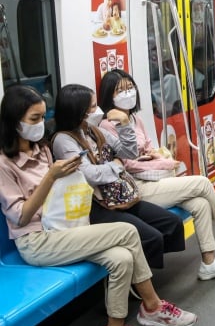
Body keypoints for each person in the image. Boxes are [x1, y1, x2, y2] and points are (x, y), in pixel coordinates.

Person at [0, 85, 197, 326]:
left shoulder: (43, 150)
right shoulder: (4, 163)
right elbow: (21, 217)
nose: (40, 125)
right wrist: (51, 177)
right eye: (33, 119)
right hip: (36, 241)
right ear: (14, 122)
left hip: (62, 227)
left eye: (41, 117)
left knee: (122, 257)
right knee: (128, 231)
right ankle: (152, 307)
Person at [98, 69, 215, 279]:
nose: (127, 93)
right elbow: (126, 163)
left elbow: (145, 148)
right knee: (202, 183)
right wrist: (154, 160)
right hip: (136, 186)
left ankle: (209, 264)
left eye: (130, 88)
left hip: (152, 178)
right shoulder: (107, 125)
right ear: (109, 95)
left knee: (200, 204)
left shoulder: (135, 119)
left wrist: (152, 155)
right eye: (120, 90)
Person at [52, 84, 186, 270]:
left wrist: (124, 124)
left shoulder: (94, 130)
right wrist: (116, 166)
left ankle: (143, 268)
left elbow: (129, 152)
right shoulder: (63, 140)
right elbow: (89, 175)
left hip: (118, 196)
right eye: (91, 107)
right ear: (78, 111)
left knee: (172, 222)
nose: (97, 110)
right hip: (96, 206)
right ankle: (138, 279)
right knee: (151, 236)